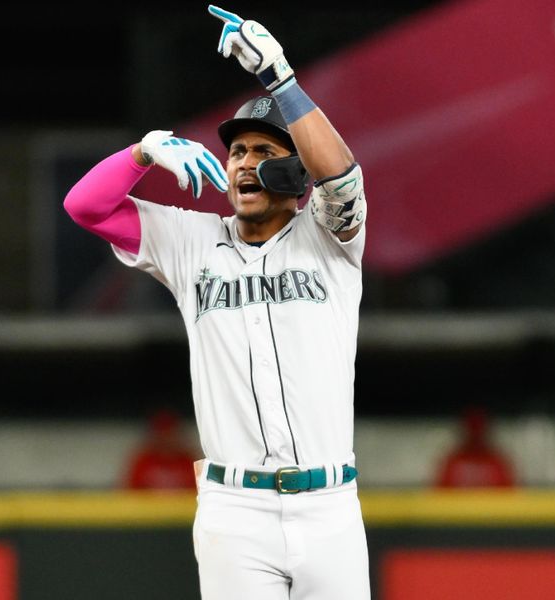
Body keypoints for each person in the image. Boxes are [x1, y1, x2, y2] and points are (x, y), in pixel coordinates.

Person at [64, 5, 370, 599]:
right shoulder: (190, 241)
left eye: (264, 152)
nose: (244, 163)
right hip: (236, 511)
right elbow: (86, 207)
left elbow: (342, 178)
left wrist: (280, 78)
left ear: (296, 170)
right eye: (237, 152)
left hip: (329, 507)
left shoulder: (330, 236)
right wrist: (141, 155)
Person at [436, 406, 516, 488]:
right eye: (472, 428)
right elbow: (440, 493)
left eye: (478, 428)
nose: (475, 434)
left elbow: (509, 493)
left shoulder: (497, 461)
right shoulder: (453, 461)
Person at [124, 408, 199, 490]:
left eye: (170, 433)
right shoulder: (143, 462)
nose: (166, 438)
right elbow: (130, 493)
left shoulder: (188, 462)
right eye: (162, 433)